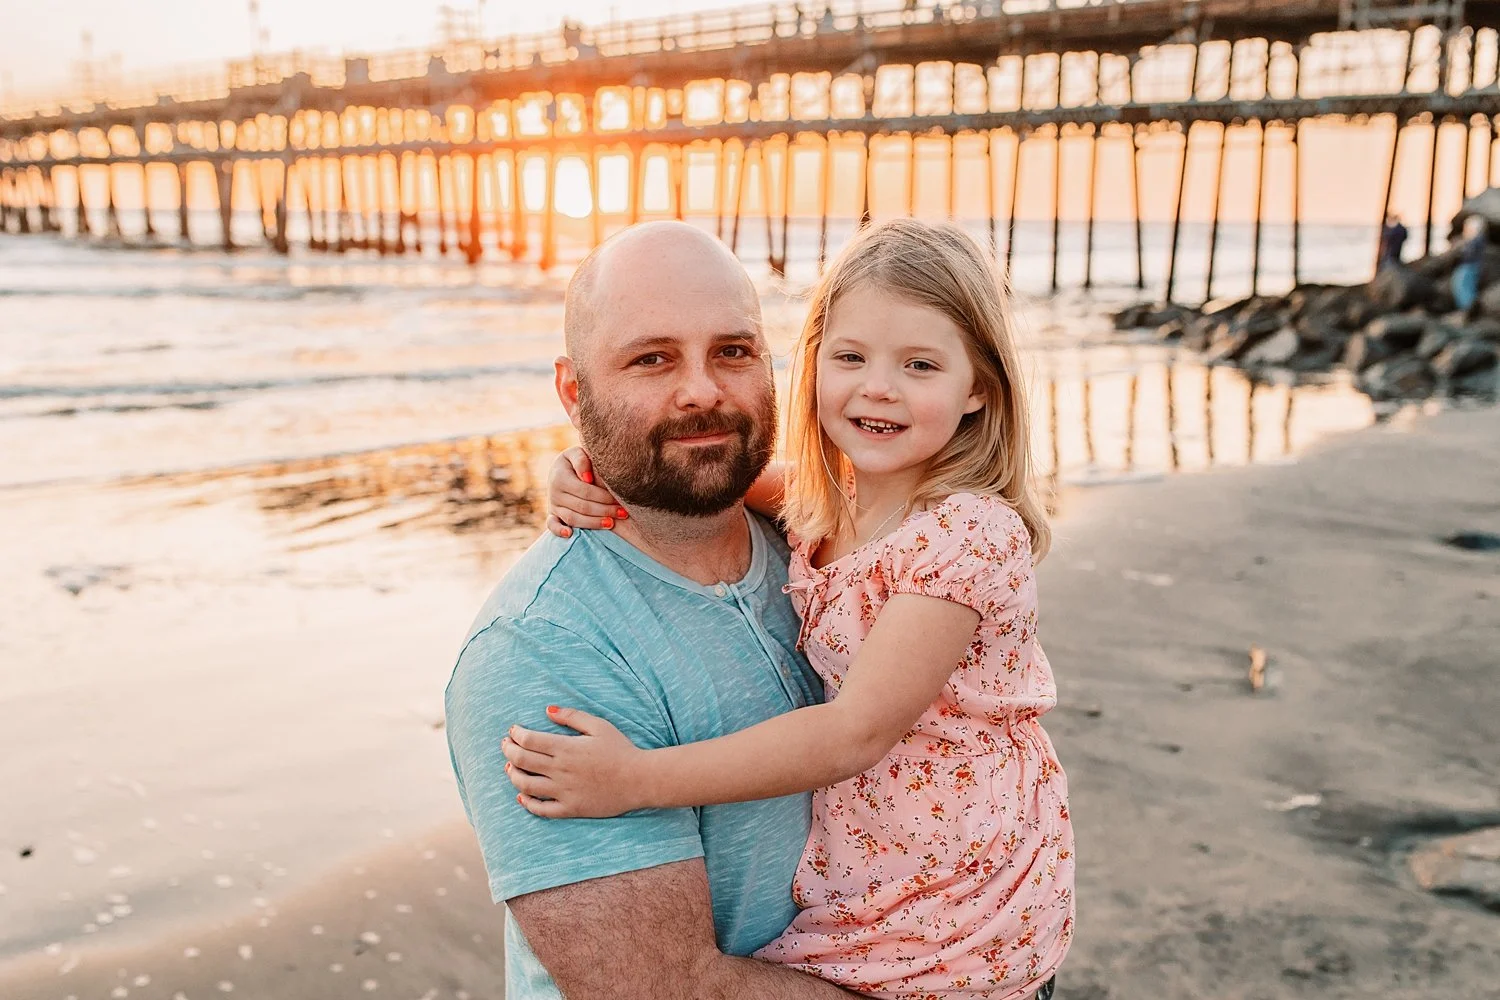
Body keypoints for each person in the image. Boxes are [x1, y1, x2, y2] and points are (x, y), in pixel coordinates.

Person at [515, 219, 1074, 999]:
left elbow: (853, 733)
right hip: (885, 867)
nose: (878, 387)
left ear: (979, 387)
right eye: (850, 358)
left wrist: (636, 780)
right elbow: (699, 464)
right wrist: (586, 462)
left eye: (919, 364)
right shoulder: (828, 501)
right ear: (812, 365)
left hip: (960, 902)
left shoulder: (966, 535)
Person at [445, 222, 855, 1000]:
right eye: (652, 359)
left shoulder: (822, 542)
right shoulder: (543, 652)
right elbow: (670, 990)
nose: (701, 389)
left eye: (732, 351)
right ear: (575, 393)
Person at [1452, 215, 1487, 315]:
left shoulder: (1475, 240)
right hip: (1470, 267)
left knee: (1464, 288)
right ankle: (1468, 310)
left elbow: (1467, 253)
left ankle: (1468, 310)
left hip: (1469, 267)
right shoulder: (1477, 239)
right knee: (1464, 287)